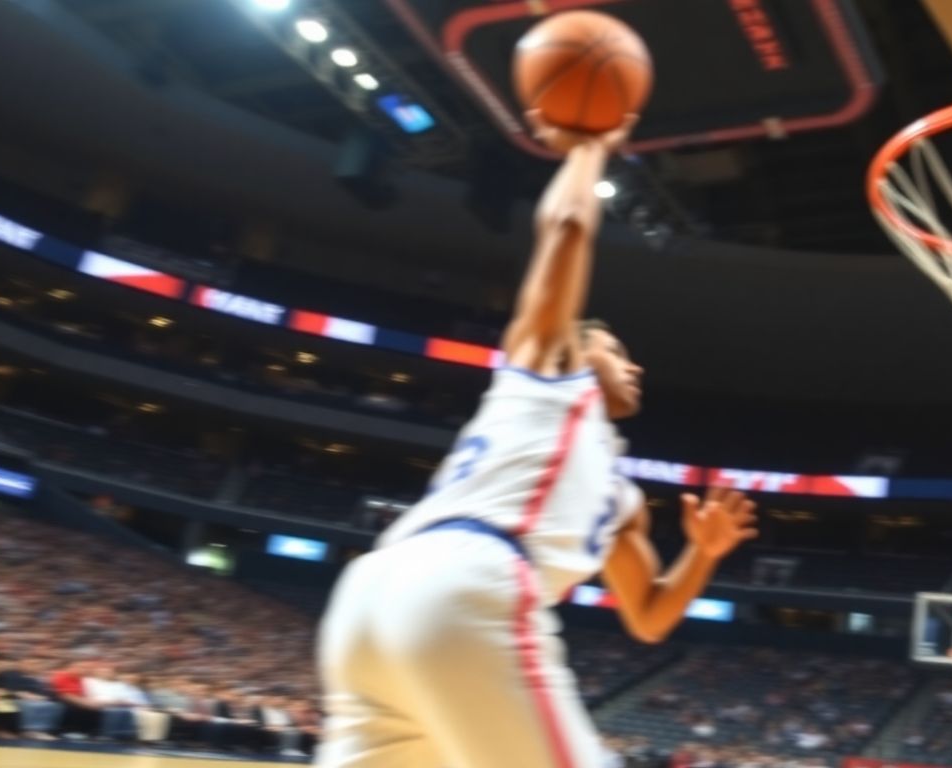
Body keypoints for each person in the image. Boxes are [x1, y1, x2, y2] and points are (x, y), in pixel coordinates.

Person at [317, 112, 758, 768]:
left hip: (368, 603)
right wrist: (590, 150)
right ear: (580, 353)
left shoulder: (618, 500)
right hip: (465, 581)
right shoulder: (547, 377)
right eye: (617, 352)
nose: (634, 367)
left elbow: (648, 618)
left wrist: (702, 554)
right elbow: (566, 231)